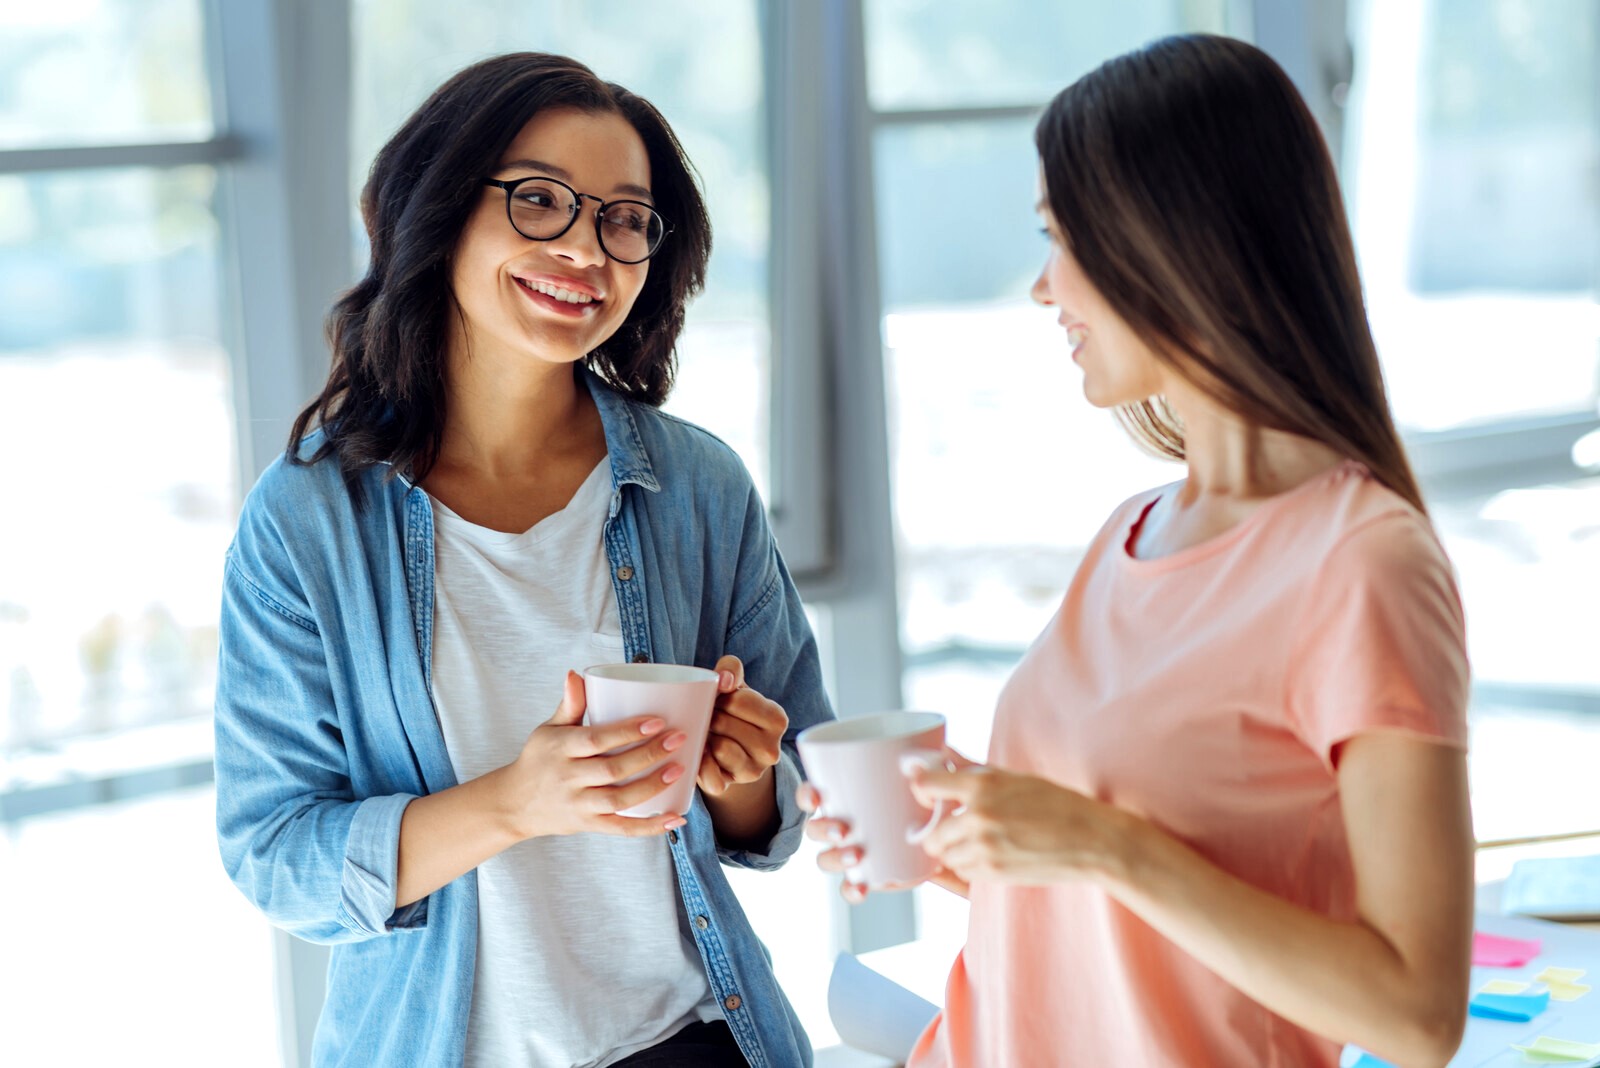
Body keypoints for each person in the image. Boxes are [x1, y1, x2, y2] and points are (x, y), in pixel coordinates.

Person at [802, 33, 1473, 1067]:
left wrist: (1104, 843)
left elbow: (1413, 1016)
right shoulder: (1128, 534)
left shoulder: (1363, 561)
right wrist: (962, 840)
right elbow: (1113, 923)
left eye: (1057, 237)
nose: (1041, 288)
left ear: (1167, 242)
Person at [214, 52, 832, 1068]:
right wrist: (513, 805)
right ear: (440, 209)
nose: (586, 247)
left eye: (624, 218)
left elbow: (785, 800)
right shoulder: (307, 520)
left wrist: (743, 776)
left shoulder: (699, 484)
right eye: (539, 200)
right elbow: (275, 855)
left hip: (694, 1041)